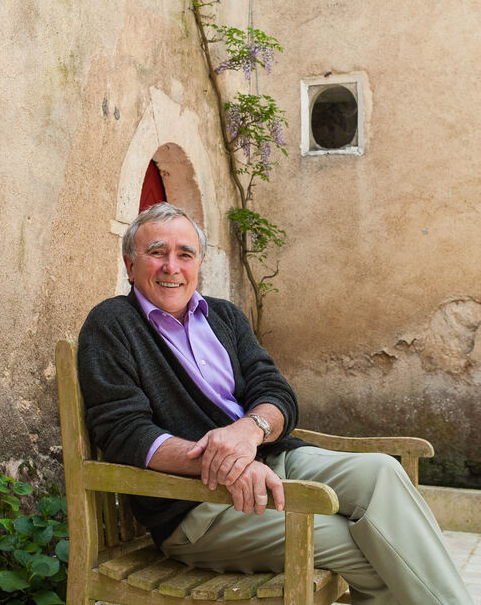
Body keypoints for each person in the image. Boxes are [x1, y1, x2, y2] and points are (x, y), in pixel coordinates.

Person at [78, 203, 472, 605]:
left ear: (199, 264)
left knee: (383, 471)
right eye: (157, 252)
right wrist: (228, 463)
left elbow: (275, 392)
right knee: (370, 547)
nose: (172, 267)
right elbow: (125, 432)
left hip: (273, 458)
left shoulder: (225, 317)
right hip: (198, 508)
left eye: (185, 254)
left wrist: (250, 431)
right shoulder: (112, 324)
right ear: (130, 265)